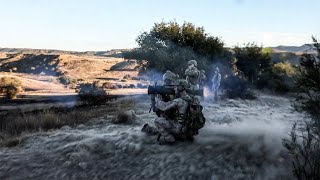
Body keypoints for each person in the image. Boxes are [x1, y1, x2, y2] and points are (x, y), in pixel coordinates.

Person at [142, 79, 193, 144]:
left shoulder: (180, 101)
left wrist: (157, 99)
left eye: (176, 87)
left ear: (181, 88)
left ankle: (170, 139)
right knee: (166, 117)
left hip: (179, 128)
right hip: (187, 126)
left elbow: (164, 107)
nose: (175, 88)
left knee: (157, 121)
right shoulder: (189, 98)